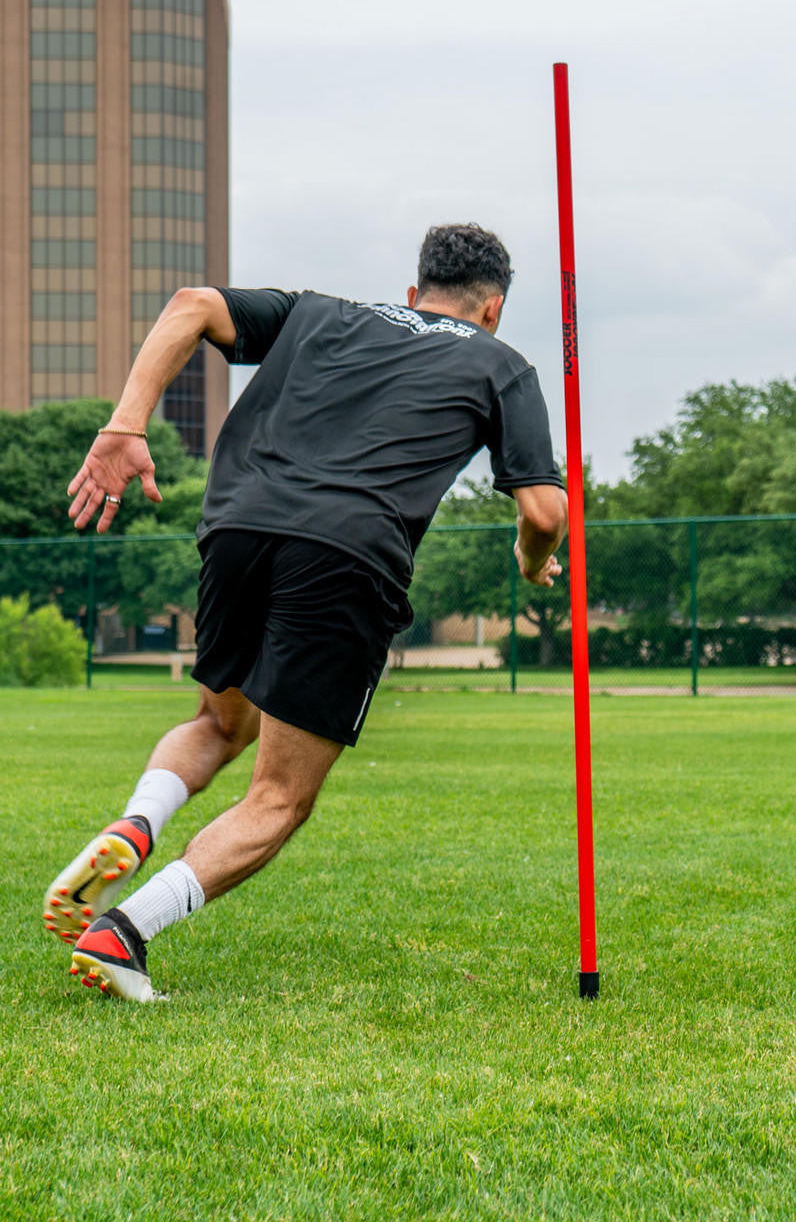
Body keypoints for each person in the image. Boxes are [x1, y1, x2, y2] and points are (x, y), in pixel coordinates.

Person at [46, 224, 568, 1001]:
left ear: (412, 291)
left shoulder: (321, 311)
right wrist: (532, 564)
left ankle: (139, 822)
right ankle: (120, 934)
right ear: (492, 309)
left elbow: (192, 304)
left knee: (219, 723)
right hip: (346, 554)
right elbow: (545, 513)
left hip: (237, 526)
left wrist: (124, 427)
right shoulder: (501, 365)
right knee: (280, 798)